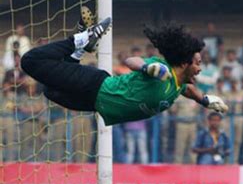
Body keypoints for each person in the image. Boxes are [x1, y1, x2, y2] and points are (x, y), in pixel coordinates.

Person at [20, 18, 228, 126]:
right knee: (29, 61)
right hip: (96, 86)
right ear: (184, 63)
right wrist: (148, 67)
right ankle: (82, 39)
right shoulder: (162, 71)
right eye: (198, 63)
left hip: (92, 104)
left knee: (50, 90)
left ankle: (80, 50)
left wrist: (205, 100)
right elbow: (132, 61)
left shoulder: (178, 83)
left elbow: (189, 90)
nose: (200, 68)